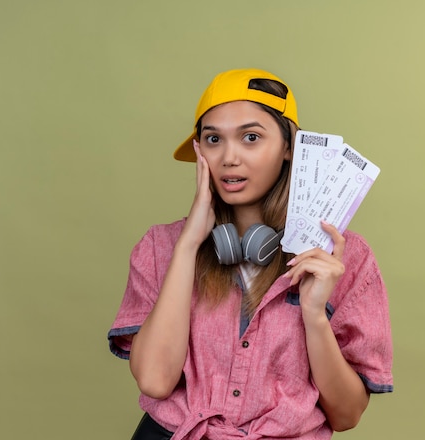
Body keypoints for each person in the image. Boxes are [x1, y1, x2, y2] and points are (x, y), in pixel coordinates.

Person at [108, 68, 393, 440]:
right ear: (199, 151)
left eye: (251, 137)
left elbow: (347, 414)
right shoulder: (162, 247)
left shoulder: (345, 259)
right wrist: (189, 245)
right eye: (213, 139)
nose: (229, 157)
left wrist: (314, 315)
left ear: (290, 146)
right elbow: (155, 381)